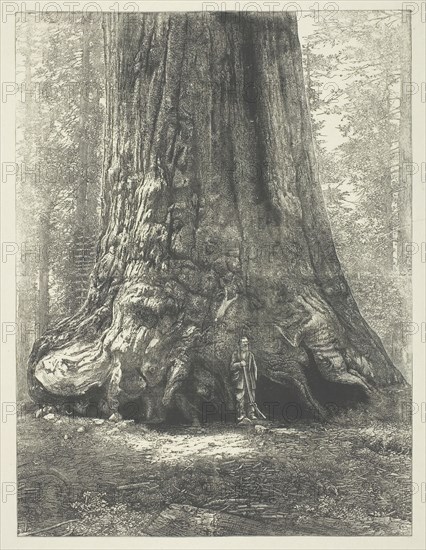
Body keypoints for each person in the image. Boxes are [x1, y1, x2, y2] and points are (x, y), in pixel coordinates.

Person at [230, 336, 259, 423]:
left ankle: (251, 413)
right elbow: (231, 366)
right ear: (239, 344)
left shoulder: (251, 355)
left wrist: (254, 378)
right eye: (244, 342)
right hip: (240, 380)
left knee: (251, 396)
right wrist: (239, 364)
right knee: (240, 397)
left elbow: (254, 367)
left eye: (247, 342)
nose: (246, 344)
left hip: (250, 380)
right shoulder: (236, 354)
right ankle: (241, 415)